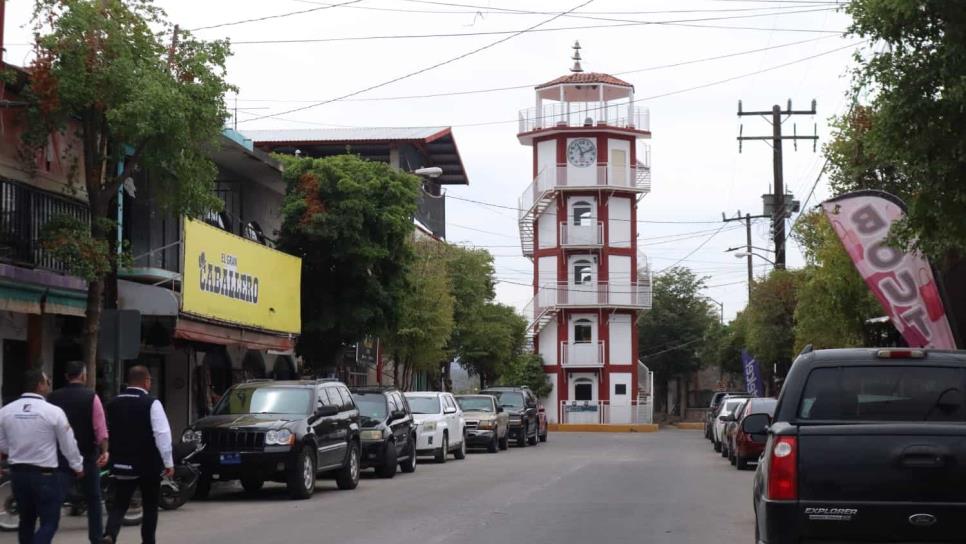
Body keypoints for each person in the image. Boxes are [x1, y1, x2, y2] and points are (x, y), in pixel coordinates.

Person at [0, 369, 84, 544]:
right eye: (47, 382)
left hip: (18, 473)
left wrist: (16, 449)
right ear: (39, 385)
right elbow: (68, 444)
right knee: (49, 522)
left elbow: (2, 443)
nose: (48, 385)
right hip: (44, 475)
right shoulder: (53, 412)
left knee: (26, 520)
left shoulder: (5, 411)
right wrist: (77, 466)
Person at [101, 366, 173, 544]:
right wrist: (168, 462)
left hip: (121, 463)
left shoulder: (112, 403)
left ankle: (110, 534)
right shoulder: (151, 403)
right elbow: (162, 434)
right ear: (146, 381)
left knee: (120, 503)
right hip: (147, 465)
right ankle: (148, 541)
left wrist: (106, 452)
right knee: (150, 507)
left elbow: (105, 431)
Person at [47, 361, 109, 544]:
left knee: (55, 500)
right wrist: (104, 451)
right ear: (83, 376)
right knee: (94, 499)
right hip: (88, 456)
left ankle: (46, 534)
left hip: (59, 458)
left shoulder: (52, 398)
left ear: (66, 376)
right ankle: (96, 538)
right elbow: (100, 429)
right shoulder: (92, 397)